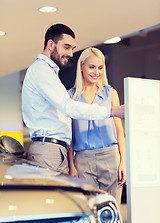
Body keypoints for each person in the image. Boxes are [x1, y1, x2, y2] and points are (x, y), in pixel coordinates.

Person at [22, 24, 124, 175]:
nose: (70, 53)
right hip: (48, 150)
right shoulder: (41, 71)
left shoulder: (49, 73)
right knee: (51, 198)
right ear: (51, 44)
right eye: (67, 47)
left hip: (55, 150)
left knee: (60, 198)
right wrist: (112, 111)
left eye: (72, 48)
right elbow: (69, 108)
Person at [68, 47, 126, 204]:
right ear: (81, 67)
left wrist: (123, 162)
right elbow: (70, 136)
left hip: (110, 157)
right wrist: (71, 165)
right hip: (83, 161)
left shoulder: (110, 93)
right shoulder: (71, 97)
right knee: (89, 210)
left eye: (100, 67)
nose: (96, 72)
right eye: (91, 67)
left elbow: (120, 132)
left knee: (111, 209)